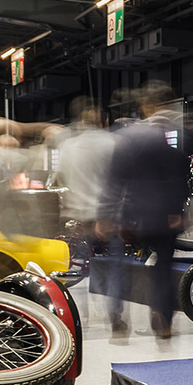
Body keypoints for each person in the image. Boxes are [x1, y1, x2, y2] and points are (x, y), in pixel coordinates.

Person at [98, 82, 192, 341]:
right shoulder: (171, 132)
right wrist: (176, 211)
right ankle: (162, 319)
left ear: (143, 106)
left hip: (130, 215)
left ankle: (117, 317)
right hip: (163, 216)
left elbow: (113, 179)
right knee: (162, 268)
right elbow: (180, 176)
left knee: (118, 265)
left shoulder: (127, 136)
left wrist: (105, 214)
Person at [49, 98, 124, 334]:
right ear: (104, 121)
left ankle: (79, 319)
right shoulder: (113, 142)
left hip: (79, 216)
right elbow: (120, 180)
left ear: (80, 121)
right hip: (108, 215)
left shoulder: (69, 147)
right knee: (114, 265)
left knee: (78, 268)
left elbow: (59, 179)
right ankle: (115, 318)